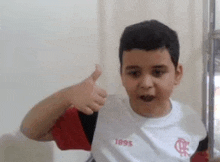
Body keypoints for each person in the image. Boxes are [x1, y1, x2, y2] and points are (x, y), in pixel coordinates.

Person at [20, 20, 209, 162]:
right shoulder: (101, 115)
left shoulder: (192, 126)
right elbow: (31, 130)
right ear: (121, 74)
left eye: (158, 72)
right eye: (134, 73)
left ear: (177, 74)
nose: (145, 83)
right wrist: (66, 96)